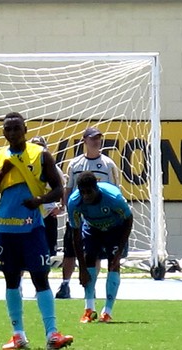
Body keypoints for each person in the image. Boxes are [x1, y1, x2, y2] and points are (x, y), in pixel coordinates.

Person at [0, 112, 73, 350]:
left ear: (25, 130)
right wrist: (2, 171)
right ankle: (17, 334)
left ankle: (52, 333)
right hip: (5, 229)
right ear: (3, 133)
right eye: (8, 129)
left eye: (16, 128)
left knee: (40, 278)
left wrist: (39, 200)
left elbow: (58, 188)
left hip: (32, 229)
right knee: (11, 281)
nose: (12, 133)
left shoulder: (41, 155)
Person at [55, 127, 120, 299]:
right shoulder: (75, 164)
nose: (96, 141)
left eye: (98, 138)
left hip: (98, 217)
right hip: (78, 214)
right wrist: (67, 210)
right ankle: (65, 284)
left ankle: (92, 286)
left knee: (94, 253)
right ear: (85, 140)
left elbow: (114, 191)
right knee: (70, 251)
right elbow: (68, 189)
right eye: (92, 138)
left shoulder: (108, 165)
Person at [68, 171, 133, 323]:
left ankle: (107, 312)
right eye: (82, 192)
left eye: (88, 192)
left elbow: (128, 220)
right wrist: (82, 268)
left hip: (115, 229)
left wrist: (119, 253)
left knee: (113, 264)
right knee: (89, 259)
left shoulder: (113, 198)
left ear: (96, 188)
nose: (86, 196)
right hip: (92, 228)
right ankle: (89, 309)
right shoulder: (74, 203)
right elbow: (75, 236)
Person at [28, 136, 66, 259]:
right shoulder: (27, 167)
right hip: (31, 213)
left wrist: (61, 207)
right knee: (30, 247)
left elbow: (64, 187)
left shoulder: (54, 168)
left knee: (49, 251)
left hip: (48, 213)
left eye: (40, 146)